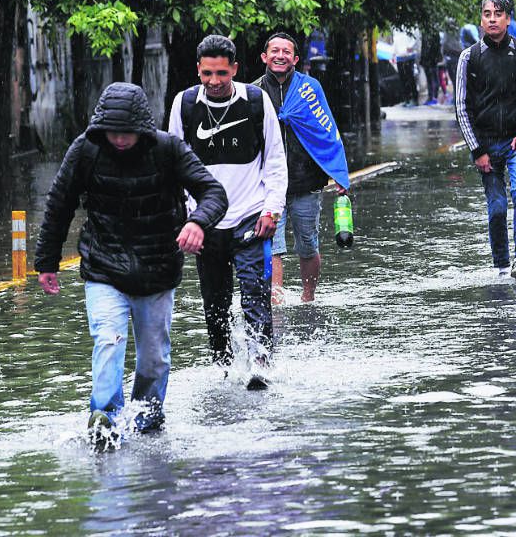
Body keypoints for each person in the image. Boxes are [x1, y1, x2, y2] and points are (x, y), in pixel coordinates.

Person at [34, 82, 228, 446]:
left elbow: (214, 192)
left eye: (127, 134)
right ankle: (105, 417)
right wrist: (46, 261)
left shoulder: (167, 149)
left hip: (157, 267)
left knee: (154, 357)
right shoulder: (86, 150)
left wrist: (197, 222)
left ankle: (146, 415)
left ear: (142, 128)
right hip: (103, 266)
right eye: (113, 133)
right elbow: (59, 205)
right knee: (108, 339)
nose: (120, 140)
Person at [168, 35, 287, 390]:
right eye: (207, 73)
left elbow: (276, 161)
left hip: (252, 218)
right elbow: (173, 162)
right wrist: (188, 218)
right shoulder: (184, 104)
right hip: (206, 224)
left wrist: (272, 210)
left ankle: (260, 360)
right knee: (214, 303)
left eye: (222, 73)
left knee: (255, 291)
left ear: (234, 69)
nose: (214, 81)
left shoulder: (255, 101)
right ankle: (224, 366)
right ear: (198, 70)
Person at [455, 0, 516, 280]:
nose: (492, 19)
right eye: (487, 14)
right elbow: (461, 107)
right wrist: (476, 150)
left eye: (498, 14)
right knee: (496, 208)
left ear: (508, 19)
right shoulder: (468, 58)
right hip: (486, 144)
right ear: (481, 20)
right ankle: (500, 265)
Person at [252, 33, 351, 304]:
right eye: (274, 50)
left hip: (306, 182)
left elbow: (327, 132)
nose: (280, 55)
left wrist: (339, 173)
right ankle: (276, 306)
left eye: (286, 51)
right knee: (272, 247)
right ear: (264, 56)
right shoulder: (253, 93)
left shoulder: (311, 89)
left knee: (307, 246)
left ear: (295, 59)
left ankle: (309, 300)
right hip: (268, 186)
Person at [393, 28, 420, 107]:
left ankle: (414, 98)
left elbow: (415, 37)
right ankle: (406, 98)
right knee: (402, 79)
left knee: (410, 77)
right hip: (399, 56)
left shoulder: (410, 25)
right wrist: (394, 52)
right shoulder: (396, 27)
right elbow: (395, 39)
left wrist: (410, 46)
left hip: (409, 55)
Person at [420, 30, 442, 106]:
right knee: (429, 79)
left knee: (434, 78)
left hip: (432, 60)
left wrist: (436, 58)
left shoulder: (434, 31)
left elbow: (437, 46)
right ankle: (430, 97)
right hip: (427, 59)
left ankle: (434, 97)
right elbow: (423, 46)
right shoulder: (424, 32)